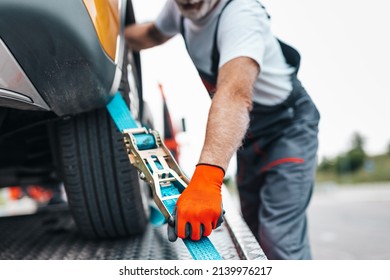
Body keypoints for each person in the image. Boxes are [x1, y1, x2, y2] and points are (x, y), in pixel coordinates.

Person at [124, 0, 320, 260]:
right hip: (248, 134)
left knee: (278, 240)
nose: (190, 1)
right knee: (255, 231)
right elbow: (149, 35)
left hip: (288, 128)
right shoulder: (179, 9)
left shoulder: (241, 15)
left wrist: (207, 180)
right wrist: (106, 33)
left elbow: (235, 95)